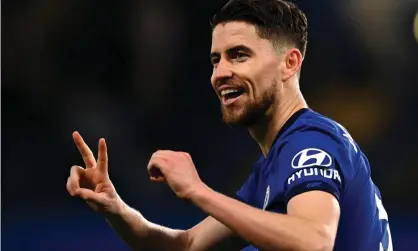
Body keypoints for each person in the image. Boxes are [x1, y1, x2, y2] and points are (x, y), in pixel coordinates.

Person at [66, 0, 393, 250]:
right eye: (215, 59)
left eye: (239, 55)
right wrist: (115, 208)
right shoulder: (272, 167)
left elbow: (314, 240)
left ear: (289, 63)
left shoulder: (309, 142)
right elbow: (186, 245)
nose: (220, 73)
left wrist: (198, 191)